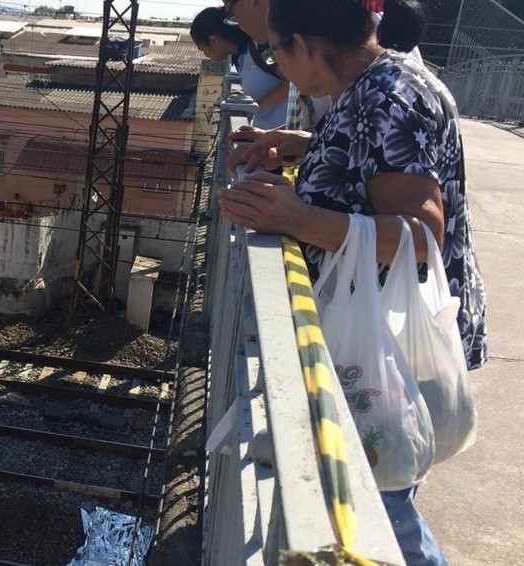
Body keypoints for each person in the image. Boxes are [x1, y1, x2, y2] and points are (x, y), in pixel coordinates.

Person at [218, 0, 487, 563]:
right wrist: (302, 145)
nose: (277, 64)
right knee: (381, 489)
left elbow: (420, 236)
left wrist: (294, 218)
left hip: (389, 344)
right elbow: (374, 165)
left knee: (381, 510)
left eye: (275, 50)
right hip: (380, 330)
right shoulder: (377, 82)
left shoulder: (387, 94)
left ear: (307, 45)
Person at [191, 7, 288, 130]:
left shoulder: (261, 48)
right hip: (268, 137)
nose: (205, 54)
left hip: (287, 138)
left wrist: (255, 106)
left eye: (203, 49)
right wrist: (245, 96)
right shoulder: (239, 57)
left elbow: (293, 83)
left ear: (213, 40)